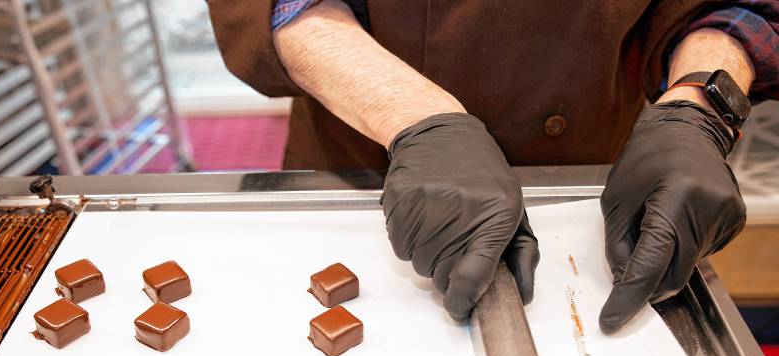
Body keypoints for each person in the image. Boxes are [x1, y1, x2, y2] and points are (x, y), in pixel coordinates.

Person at [206, 1, 779, 332]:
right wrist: (417, 119)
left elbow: (732, 6)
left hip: (593, 191)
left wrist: (700, 106)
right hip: (364, 166)